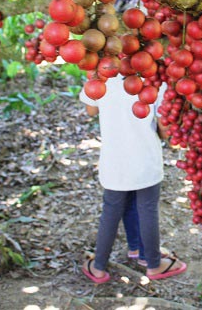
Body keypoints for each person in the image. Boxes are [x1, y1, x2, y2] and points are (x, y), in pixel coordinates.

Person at [79, 75, 187, 283]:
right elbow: (165, 125)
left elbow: (91, 109)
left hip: (115, 163)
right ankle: (153, 263)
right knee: (147, 209)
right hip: (145, 160)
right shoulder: (154, 80)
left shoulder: (101, 78)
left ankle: (99, 265)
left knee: (111, 211)